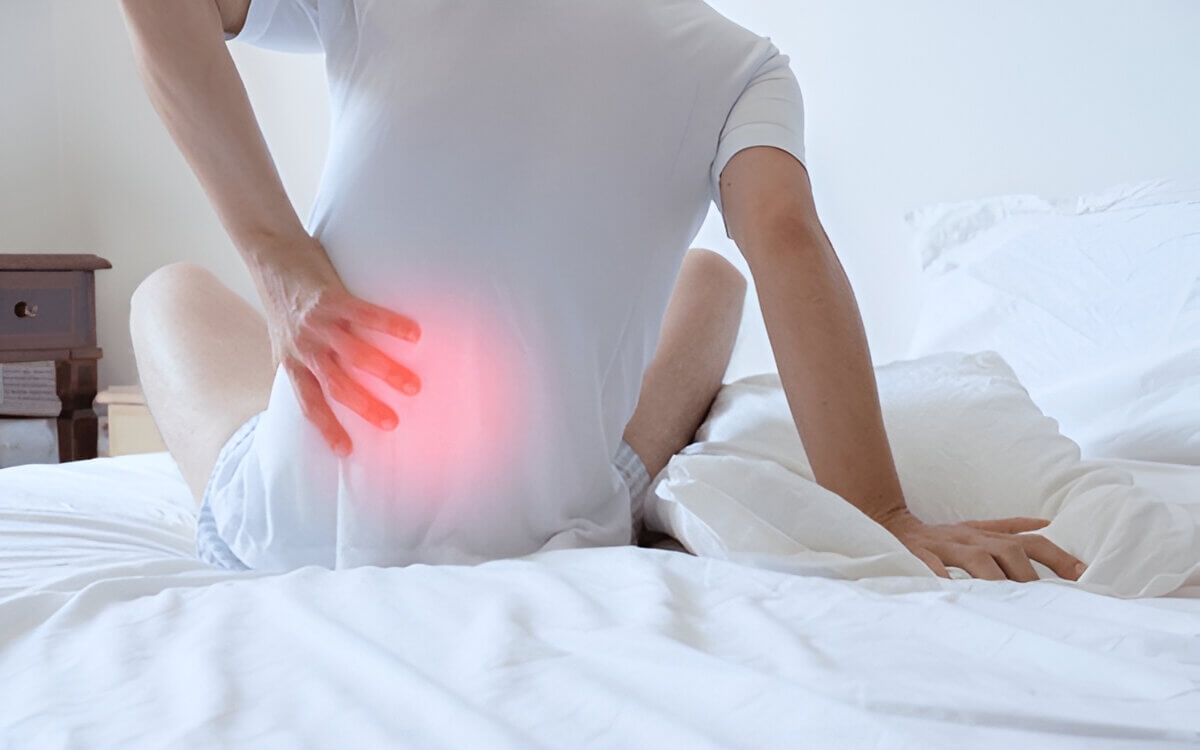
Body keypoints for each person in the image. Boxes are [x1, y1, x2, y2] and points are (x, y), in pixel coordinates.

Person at [119, 0, 1088, 582]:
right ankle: (572, 463)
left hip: (307, 525)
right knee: (717, 277)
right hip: (557, 523)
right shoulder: (740, 64)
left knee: (168, 294)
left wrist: (275, 253)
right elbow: (788, 240)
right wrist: (883, 510)